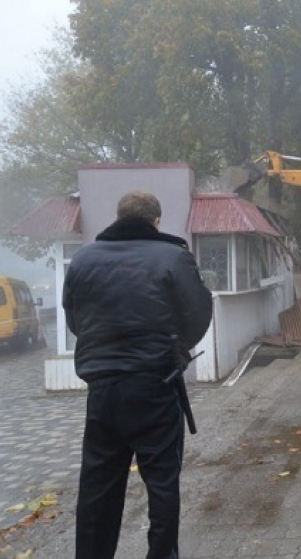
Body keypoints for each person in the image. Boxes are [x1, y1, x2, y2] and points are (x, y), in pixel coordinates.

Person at [64, 191, 213, 559]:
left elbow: (75, 320)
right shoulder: (173, 257)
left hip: (103, 392)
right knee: (162, 484)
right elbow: (197, 318)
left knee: (97, 488)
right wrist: (172, 350)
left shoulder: (82, 259)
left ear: (118, 218)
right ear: (156, 221)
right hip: (154, 388)